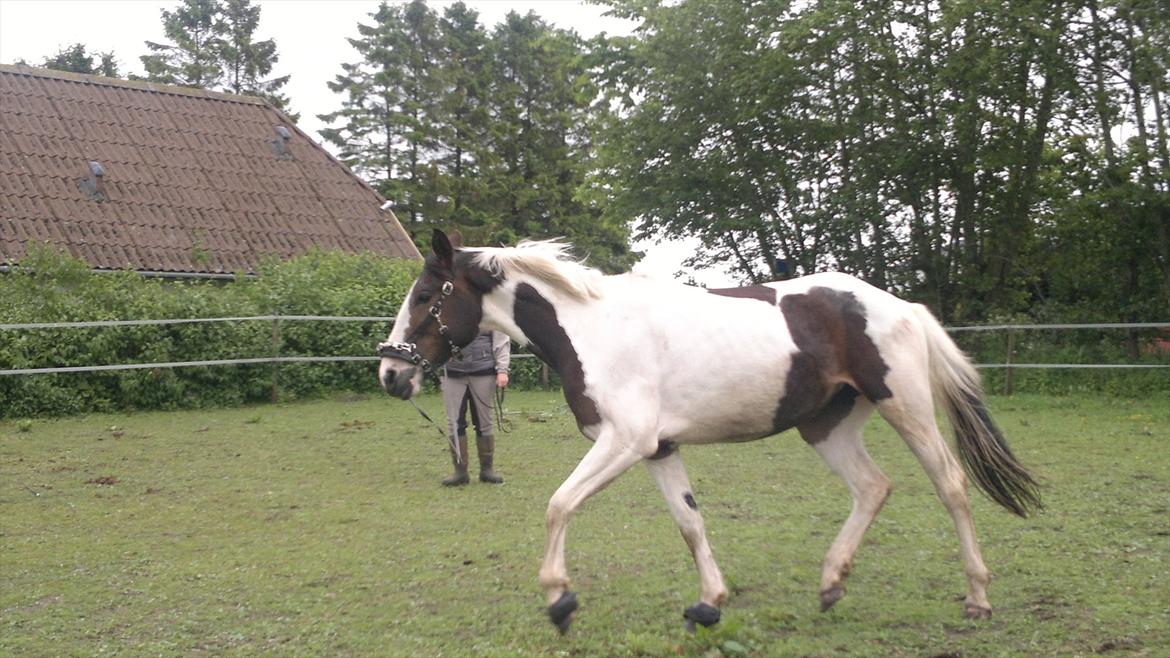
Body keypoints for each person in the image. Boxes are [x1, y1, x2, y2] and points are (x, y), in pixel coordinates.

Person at [439, 330, 510, 486]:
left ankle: (487, 470)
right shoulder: (445, 311)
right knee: (454, 423)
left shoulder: (488, 312)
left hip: (484, 371)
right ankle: (460, 472)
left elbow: (501, 339)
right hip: (452, 373)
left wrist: (502, 369)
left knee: (484, 422)